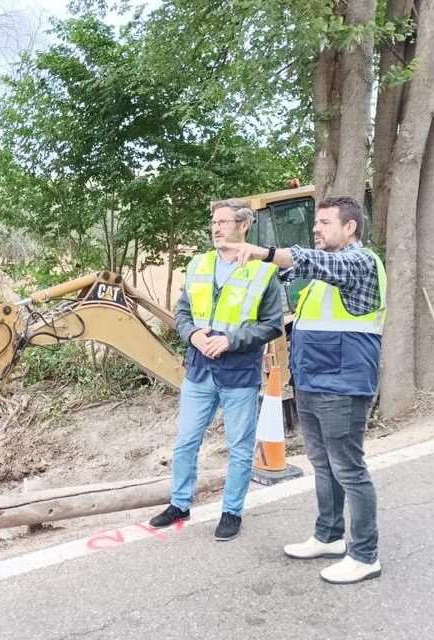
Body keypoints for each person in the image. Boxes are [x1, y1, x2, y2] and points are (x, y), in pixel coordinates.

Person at [219, 195, 386, 584]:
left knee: (349, 469)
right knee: (323, 465)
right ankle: (329, 535)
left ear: (350, 228)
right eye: (316, 223)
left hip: (343, 385)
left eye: (325, 223)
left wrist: (263, 251)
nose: (316, 228)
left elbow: (313, 261)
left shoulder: (359, 262)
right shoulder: (318, 280)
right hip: (313, 382)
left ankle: (365, 555)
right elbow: (282, 281)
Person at [148, 199, 283, 541]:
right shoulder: (199, 265)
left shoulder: (263, 270)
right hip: (199, 370)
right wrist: (192, 334)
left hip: (238, 372)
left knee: (239, 447)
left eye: (223, 221)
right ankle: (180, 504)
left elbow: (272, 325)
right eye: (213, 221)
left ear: (243, 226)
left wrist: (231, 341)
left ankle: (231, 512)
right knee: (185, 442)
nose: (216, 227)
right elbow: (182, 314)